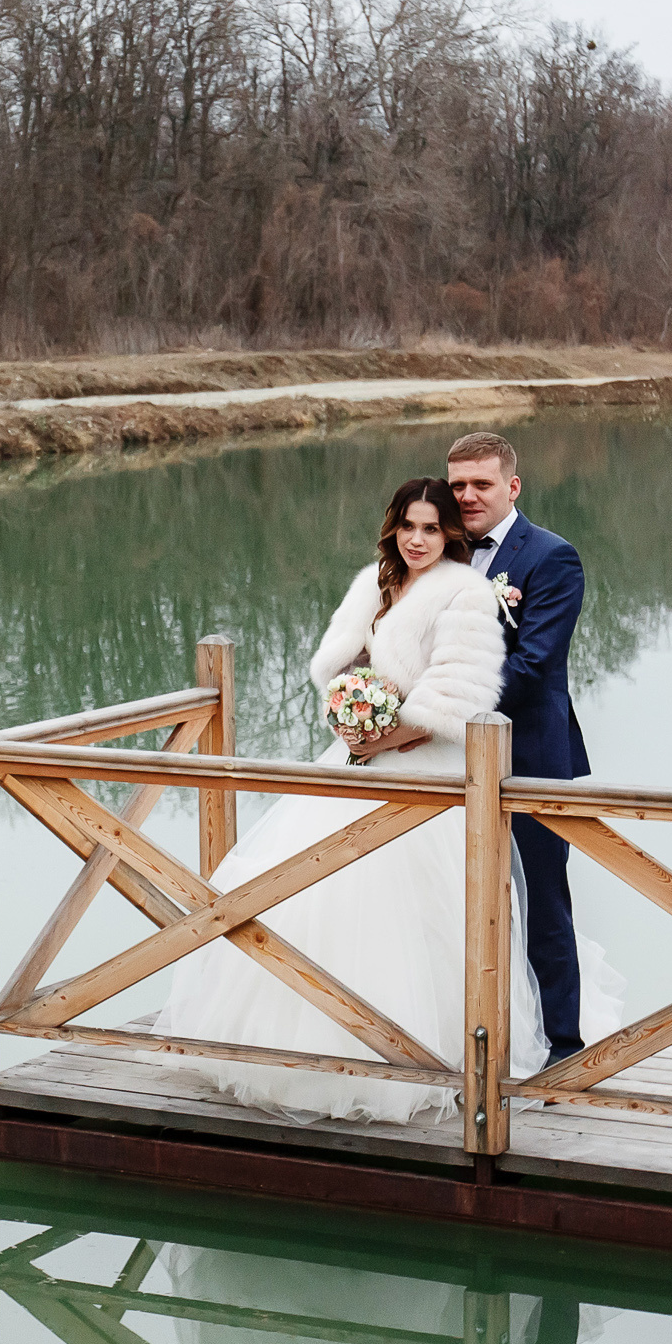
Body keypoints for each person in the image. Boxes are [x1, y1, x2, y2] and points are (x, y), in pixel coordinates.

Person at [156, 477, 557, 1123]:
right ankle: (295, 1048)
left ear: (450, 534)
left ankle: (411, 1058)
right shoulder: (372, 583)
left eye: (432, 528)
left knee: (407, 912)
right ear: (393, 528)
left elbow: (455, 697)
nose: (418, 539)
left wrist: (384, 736)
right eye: (409, 526)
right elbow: (341, 669)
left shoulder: (465, 595)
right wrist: (348, 718)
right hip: (353, 762)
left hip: (421, 770)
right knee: (302, 893)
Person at [445, 430, 592, 1060]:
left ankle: (562, 1046)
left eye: (481, 484)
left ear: (513, 486)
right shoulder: (435, 552)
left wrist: (434, 709)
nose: (468, 497)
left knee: (543, 904)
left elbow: (531, 666)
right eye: (457, 486)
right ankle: (464, 1038)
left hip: (530, 758)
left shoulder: (552, 559)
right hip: (448, 761)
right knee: (444, 897)